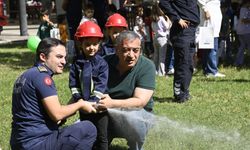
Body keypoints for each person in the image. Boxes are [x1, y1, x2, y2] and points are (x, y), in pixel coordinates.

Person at [10, 38, 97, 150]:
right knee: (88, 128)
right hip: (36, 144)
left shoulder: (25, 76)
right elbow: (57, 114)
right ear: (43, 57)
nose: (64, 62)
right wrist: (80, 104)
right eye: (59, 57)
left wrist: (69, 110)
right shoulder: (43, 77)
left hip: (19, 143)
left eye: (64, 57)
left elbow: (39, 115)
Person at [98, 30, 156, 150]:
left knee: (133, 117)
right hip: (107, 114)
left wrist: (112, 103)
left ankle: (135, 147)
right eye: (125, 50)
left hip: (138, 114)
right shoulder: (104, 63)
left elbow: (140, 102)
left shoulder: (147, 66)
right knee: (83, 129)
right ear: (116, 50)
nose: (131, 55)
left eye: (136, 50)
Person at [69, 21, 109, 150]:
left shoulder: (102, 64)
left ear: (99, 44)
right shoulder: (77, 64)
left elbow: (101, 84)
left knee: (102, 135)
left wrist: (93, 101)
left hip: (99, 106)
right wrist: (79, 99)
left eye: (95, 44)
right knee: (86, 133)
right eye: (87, 44)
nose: (91, 47)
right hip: (83, 106)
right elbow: (73, 83)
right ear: (80, 44)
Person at [159, 0, 200, 102]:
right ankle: (179, 94)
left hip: (191, 30)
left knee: (189, 65)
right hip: (182, 31)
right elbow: (163, 3)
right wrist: (177, 18)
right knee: (182, 63)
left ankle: (184, 91)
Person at [198, 0, 226, 77]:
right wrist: (206, 10)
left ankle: (207, 70)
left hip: (214, 20)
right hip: (210, 20)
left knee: (208, 47)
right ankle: (212, 71)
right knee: (211, 47)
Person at [151, 4, 172, 76]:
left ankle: (154, 71)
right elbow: (167, 27)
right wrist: (168, 20)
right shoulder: (161, 18)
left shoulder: (153, 19)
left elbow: (153, 29)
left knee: (156, 56)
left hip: (155, 38)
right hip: (162, 39)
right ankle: (161, 73)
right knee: (162, 57)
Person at [234, 0, 250, 67]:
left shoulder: (244, 9)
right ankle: (239, 62)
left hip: (242, 31)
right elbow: (243, 20)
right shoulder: (244, 9)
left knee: (242, 47)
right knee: (245, 47)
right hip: (245, 31)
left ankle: (238, 62)